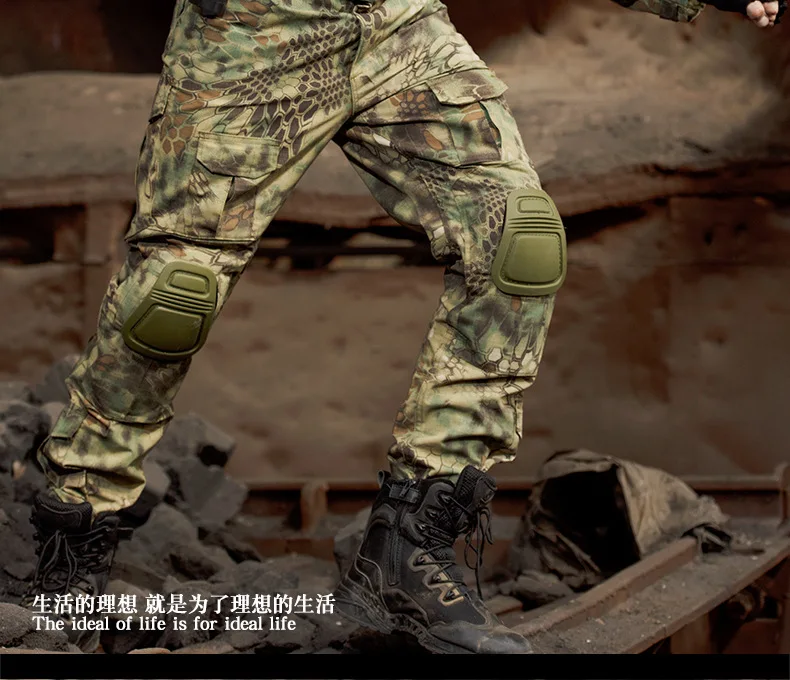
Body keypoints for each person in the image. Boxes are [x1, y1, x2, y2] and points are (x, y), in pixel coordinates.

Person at [20, 0, 783, 654]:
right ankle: (79, 516)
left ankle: (410, 546)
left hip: (393, 23)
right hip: (252, 34)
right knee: (170, 300)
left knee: (517, 236)